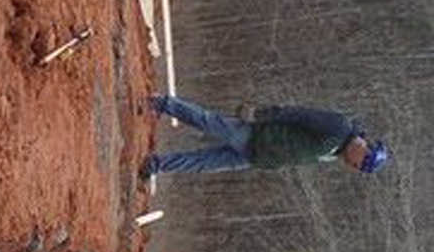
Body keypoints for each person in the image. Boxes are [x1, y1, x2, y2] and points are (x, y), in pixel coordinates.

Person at [141, 95, 391, 178]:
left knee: (203, 163)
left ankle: (156, 165)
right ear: (364, 148)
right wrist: (261, 114)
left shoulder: (335, 153)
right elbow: (299, 115)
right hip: (257, 135)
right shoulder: (338, 127)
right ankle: (162, 103)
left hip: (258, 157)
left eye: (356, 168)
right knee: (207, 122)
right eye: (358, 163)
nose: (352, 165)